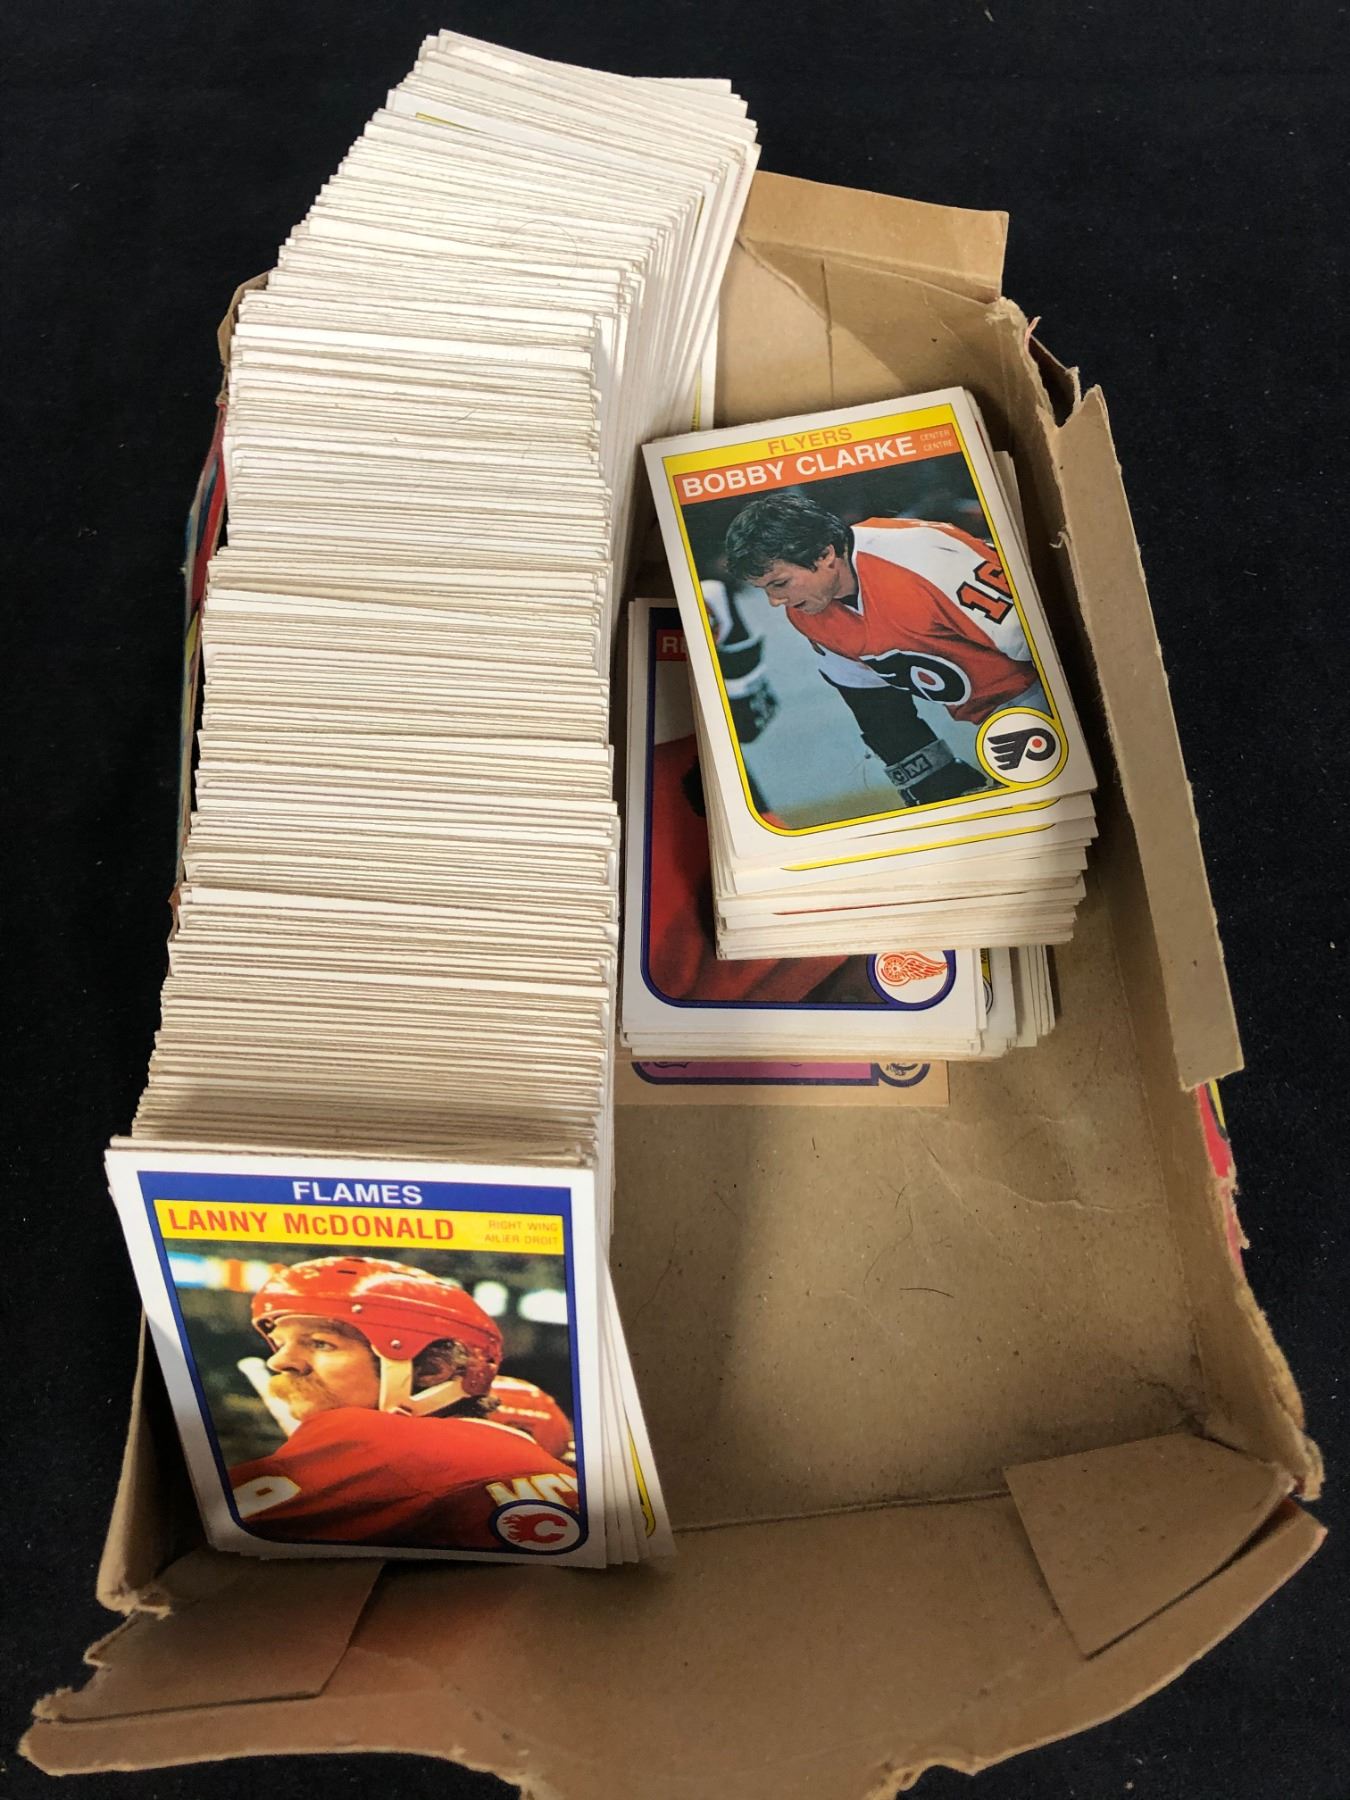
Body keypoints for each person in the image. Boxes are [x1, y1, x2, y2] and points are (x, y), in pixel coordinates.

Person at [228, 1256, 582, 1553]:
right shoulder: (540, 1463)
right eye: (281, 1344)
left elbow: (210, 1527)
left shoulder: (371, 1437)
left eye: (321, 1343)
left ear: (430, 1370)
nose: (279, 1362)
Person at [723, 491, 1048, 806]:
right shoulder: (808, 613)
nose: (775, 601)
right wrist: (935, 779)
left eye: (779, 583)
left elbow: (1045, 642)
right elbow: (875, 707)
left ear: (824, 555)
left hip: (1044, 689)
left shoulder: (919, 554)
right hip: (999, 719)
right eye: (764, 589)